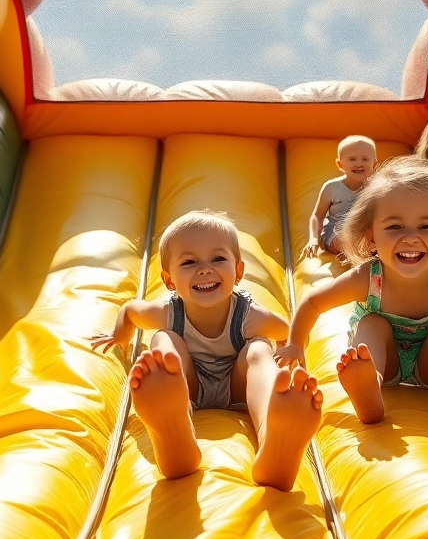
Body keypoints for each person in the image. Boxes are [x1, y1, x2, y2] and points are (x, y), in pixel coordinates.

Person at [274, 157, 428, 430]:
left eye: (426, 227)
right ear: (371, 235)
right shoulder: (368, 278)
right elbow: (313, 301)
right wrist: (295, 343)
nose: (410, 237)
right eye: (395, 226)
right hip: (386, 358)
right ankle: (369, 383)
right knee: (372, 323)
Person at [90, 210, 323, 491]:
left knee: (259, 349)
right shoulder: (167, 312)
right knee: (164, 340)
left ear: (238, 271)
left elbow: (289, 333)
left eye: (218, 259)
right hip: (186, 385)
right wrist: (120, 335)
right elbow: (130, 312)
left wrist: (286, 358)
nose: (205, 269)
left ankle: (273, 434)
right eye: (189, 262)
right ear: (169, 281)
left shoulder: (250, 316)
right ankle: (176, 428)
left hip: (238, 389)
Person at [302, 135, 377, 260]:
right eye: (352, 159)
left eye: (365, 159)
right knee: (342, 238)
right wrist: (313, 239)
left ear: (374, 163)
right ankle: (359, 253)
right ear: (340, 164)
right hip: (337, 230)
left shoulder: (377, 187)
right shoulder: (331, 188)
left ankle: (366, 251)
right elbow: (317, 216)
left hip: (365, 229)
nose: (359, 164)